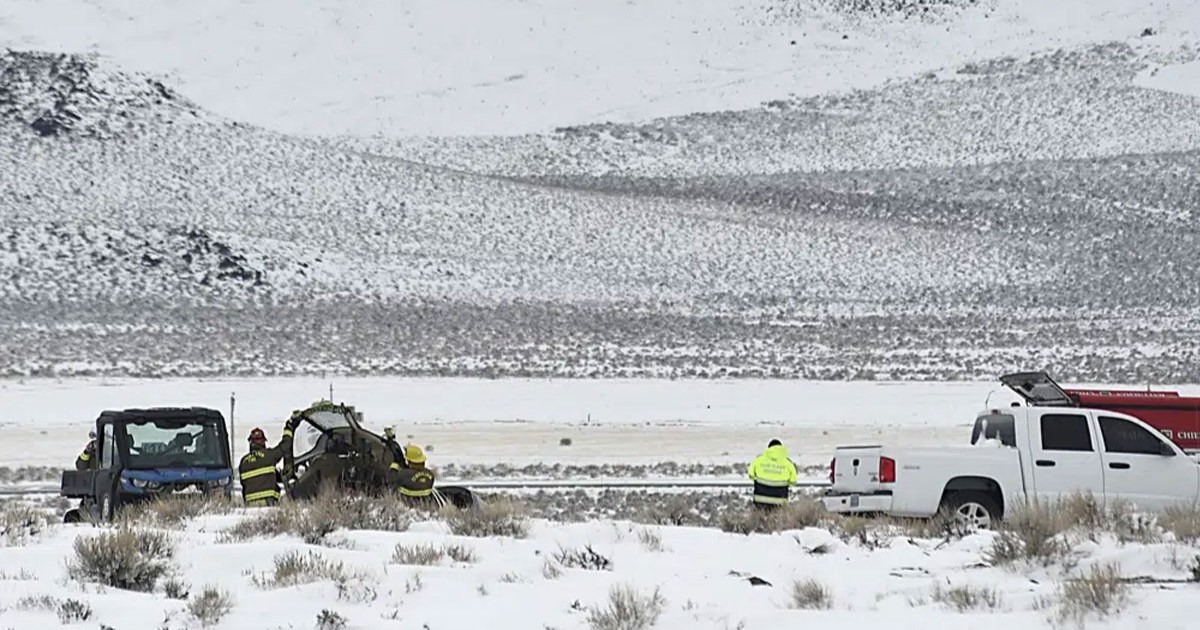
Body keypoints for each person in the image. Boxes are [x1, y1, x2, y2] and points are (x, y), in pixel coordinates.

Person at [237, 416, 298, 506]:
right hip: (268, 503)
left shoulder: (243, 462)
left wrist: (279, 476)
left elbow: (258, 477)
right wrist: (289, 428)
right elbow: (285, 446)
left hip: (249, 505)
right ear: (263, 442)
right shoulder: (269, 455)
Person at [747, 439, 798, 510]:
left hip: (760, 500)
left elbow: (751, 475)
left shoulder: (759, 460)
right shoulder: (788, 463)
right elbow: (793, 482)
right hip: (780, 502)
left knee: (760, 516)